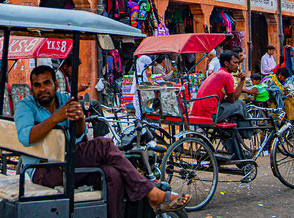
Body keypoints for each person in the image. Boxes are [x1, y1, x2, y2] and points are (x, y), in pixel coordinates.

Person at [16, 65, 189, 217]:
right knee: (103, 145)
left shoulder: (64, 99)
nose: (42, 89)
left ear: (55, 84)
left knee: (112, 174)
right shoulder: (26, 106)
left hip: (69, 161)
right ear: (32, 88)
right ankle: (151, 193)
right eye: (37, 85)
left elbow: (79, 135)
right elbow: (26, 138)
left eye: (46, 83)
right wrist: (55, 118)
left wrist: (80, 118)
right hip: (42, 169)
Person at [191, 50, 248, 124]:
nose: (237, 65)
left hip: (199, 112)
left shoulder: (217, 73)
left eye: (238, 63)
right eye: (235, 63)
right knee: (240, 104)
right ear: (226, 63)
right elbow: (233, 99)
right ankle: (246, 132)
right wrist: (242, 81)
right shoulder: (227, 75)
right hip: (210, 114)